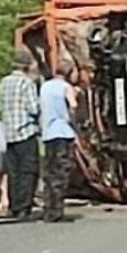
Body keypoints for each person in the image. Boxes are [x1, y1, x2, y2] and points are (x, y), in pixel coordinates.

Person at [0, 49, 41, 219]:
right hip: (25, 131)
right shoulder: (26, 83)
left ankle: (13, 206)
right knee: (28, 171)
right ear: (27, 66)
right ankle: (24, 206)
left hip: (8, 134)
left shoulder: (4, 83)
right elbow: (33, 108)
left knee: (13, 172)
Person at [40, 61, 78, 223]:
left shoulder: (45, 87)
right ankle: (57, 210)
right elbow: (74, 106)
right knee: (61, 172)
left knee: (50, 172)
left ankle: (49, 208)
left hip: (48, 134)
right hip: (62, 131)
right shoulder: (66, 87)